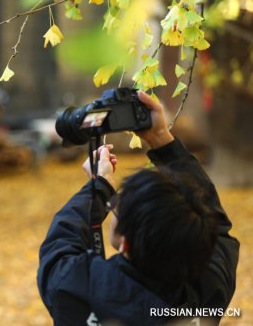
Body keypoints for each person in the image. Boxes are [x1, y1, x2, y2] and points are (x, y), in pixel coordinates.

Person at [37, 91, 239, 325]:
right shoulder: (207, 295)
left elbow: (58, 245)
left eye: (117, 207)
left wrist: (99, 187)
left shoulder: (72, 287)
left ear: (126, 243)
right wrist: (161, 137)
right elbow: (220, 229)